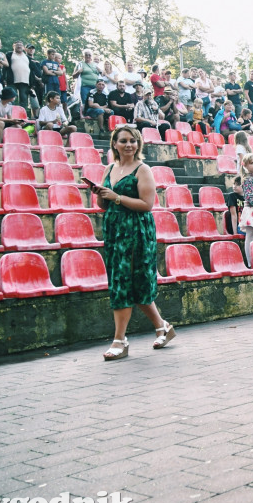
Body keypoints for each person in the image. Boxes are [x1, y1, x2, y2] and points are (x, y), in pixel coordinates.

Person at [92, 126, 174, 361]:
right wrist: (101, 194)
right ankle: (163, 327)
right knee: (122, 282)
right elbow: (103, 205)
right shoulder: (109, 168)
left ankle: (119, 340)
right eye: (123, 141)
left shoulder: (143, 169)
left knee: (131, 282)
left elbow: (147, 204)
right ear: (114, 144)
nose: (129, 145)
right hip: (115, 231)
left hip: (137, 232)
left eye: (133, 141)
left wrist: (116, 196)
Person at [6, 41, 32, 116]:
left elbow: (32, 69)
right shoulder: (9, 54)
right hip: (12, 80)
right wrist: (4, 77)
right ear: (13, 46)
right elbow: (6, 67)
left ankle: (21, 115)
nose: (19, 46)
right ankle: (10, 115)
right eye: (17, 45)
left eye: (21, 45)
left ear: (24, 47)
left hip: (25, 81)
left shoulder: (27, 57)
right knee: (11, 98)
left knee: (23, 99)